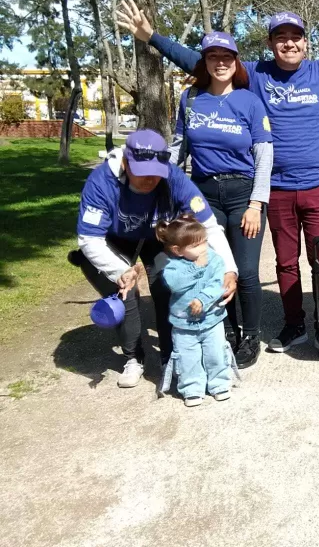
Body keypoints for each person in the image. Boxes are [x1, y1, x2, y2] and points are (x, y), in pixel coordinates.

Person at [116, 0, 319, 358]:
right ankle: (294, 324)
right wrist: (151, 37)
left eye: (296, 37)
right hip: (277, 188)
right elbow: (202, 64)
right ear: (271, 43)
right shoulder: (255, 74)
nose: (289, 43)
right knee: (286, 262)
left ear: (306, 43)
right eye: (281, 37)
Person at [74, 129, 237, 388]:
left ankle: (172, 357)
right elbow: (89, 239)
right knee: (126, 294)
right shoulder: (101, 181)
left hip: (157, 237)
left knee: (169, 287)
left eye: (156, 172)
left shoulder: (174, 177)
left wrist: (229, 269)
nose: (150, 179)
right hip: (112, 241)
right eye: (143, 171)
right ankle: (133, 358)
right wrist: (119, 270)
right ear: (126, 163)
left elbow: (208, 226)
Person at [170, 31, 273, 370]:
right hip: (204, 195)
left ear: (236, 61)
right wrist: (167, 185)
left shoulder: (249, 101)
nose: (221, 62)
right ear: (205, 62)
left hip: (243, 194)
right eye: (213, 56)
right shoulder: (191, 98)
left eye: (227, 56)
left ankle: (251, 335)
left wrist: (257, 204)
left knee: (245, 271)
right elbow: (178, 148)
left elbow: (264, 155)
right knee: (214, 267)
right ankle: (226, 330)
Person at [158, 216, 233, 407]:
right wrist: (196, 268)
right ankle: (192, 388)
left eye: (204, 242)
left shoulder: (214, 259)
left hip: (212, 319)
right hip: (183, 324)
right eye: (196, 246)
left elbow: (218, 284)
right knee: (187, 357)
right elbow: (174, 284)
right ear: (178, 250)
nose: (203, 249)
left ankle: (220, 383)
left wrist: (203, 300)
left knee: (215, 352)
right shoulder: (171, 265)